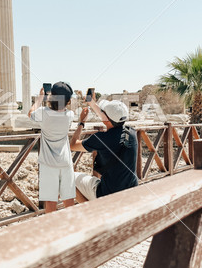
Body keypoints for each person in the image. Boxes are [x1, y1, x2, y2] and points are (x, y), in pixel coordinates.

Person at [70, 97, 139, 202]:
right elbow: (109, 118)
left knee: (66, 178)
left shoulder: (101, 138)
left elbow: (73, 145)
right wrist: (92, 104)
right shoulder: (132, 133)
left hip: (107, 194)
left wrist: (81, 122)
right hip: (131, 191)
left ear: (105, 118)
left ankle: (93, 210)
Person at [28, 82, 75, 213]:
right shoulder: (70, 115)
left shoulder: (43, 113)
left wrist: (39, 99)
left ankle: (52, 230)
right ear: (68, 100)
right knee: (69, 199)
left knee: (50, 201)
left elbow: (30, 113)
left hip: (48, 163)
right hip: (65, 162)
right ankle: (74, 228)